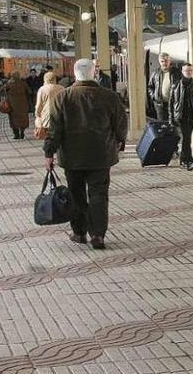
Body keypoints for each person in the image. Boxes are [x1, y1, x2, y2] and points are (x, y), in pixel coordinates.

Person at [44, 59, 128, 250]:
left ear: (75, 74)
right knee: (99, 194)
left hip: (72, 157)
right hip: (101, 155)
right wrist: (119, 141)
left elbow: (55, 130)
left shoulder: (62, 98)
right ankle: (97, 235)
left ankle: (79, 232)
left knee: (76, 194)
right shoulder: (110, 96)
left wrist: (49, 153)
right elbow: (121, 124)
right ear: (94, 73)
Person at [147, 53, 180, 122]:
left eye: (166, 61)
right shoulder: (155, 73)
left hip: (174, 104)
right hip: (160, 105)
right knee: (162, 125)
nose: (164, 63)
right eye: (162, 61)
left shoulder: (177, 73)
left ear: (169, 61)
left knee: (174, 125)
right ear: (159, 62)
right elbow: (150, 87)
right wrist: (154, 96)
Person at [34, 71, 65, 140]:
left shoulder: (42, 89)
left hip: (47, 117)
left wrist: (37, 114)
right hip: (60, 116)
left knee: (49, 138)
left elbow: (39, 105)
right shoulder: (62, 88)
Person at [4, 71, 32, 139]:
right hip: (23, 104)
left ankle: (16, 134)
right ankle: (22, 132)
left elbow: (3, 91)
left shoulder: (9, 84)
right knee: (23, 119)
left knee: (13, 119)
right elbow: (29, 92)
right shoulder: (23, 83)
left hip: (12, 104)